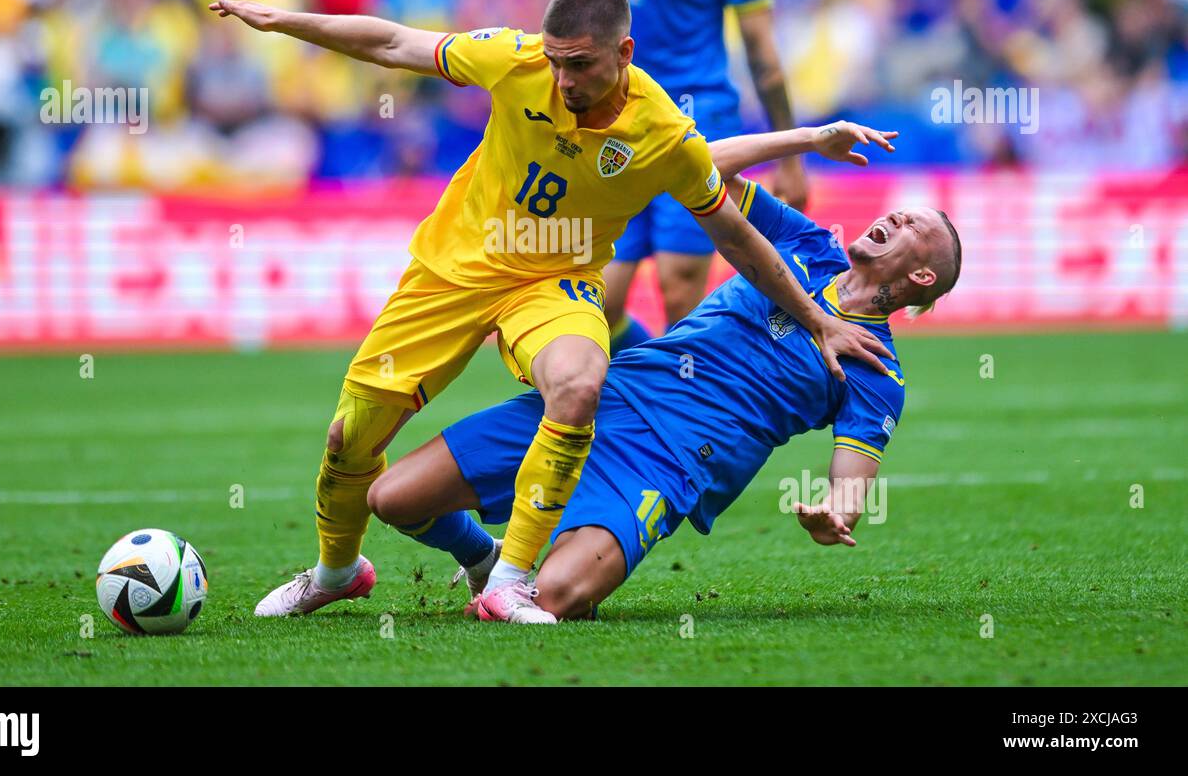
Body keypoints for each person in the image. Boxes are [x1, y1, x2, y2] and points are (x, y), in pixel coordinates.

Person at [207, 0, 891, 622]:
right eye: (556, 62)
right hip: (452, 271)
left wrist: (818, 322)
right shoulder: (514, 58)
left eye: (581, 65)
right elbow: (393, 43)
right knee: (349, 440)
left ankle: (507, 579)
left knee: (577, 382)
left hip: (553, 285)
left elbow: (738, 240)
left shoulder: (662, 133)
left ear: (624, 53)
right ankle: (338, 572)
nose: (563, 80)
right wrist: (284, 22)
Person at [366, 122, 962, 622]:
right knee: (392, 499)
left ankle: (546, 563)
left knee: (550, 600)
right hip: (605, 399)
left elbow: (850, 491)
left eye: (915, 228)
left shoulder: (875, 370)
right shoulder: (809, 245)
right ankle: (484, 559)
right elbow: (701, 170)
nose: (896, 218)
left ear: (923, 278)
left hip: (668, 463)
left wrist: (833, 513)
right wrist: (809, 139)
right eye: (900, 212)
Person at [559, 0, 806, 354]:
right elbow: (565, 37)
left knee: (679, 290)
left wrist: (789, 158)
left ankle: (683, 429)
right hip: (613, 127)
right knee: (602, 302)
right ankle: (659, 388)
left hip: (697, 123)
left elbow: (762, 51)